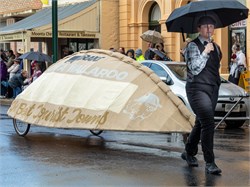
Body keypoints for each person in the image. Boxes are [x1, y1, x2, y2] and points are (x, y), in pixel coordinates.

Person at [182, 16, 222, 175]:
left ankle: (188, 152)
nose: (209, 29)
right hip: (196, 89)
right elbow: (194, 68)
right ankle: (210, 162)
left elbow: (215, 67)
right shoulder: (192, 46)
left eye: (211, 26)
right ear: (199, 28)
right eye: (206, 26)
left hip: (212, 88)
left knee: (201, 122)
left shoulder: (217, 47)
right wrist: (205, 52)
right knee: (208, 122)